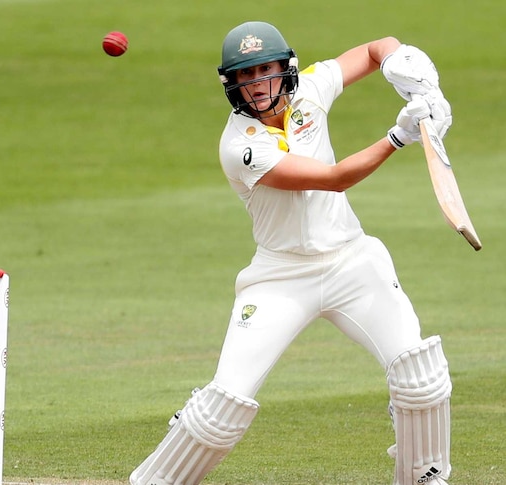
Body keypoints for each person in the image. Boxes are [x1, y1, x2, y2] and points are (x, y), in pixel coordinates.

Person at [129, 22, 453, 485]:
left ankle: (425, 476)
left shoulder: (311, 89)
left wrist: (407, 68)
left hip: (353, 262)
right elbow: (333, 178)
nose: (258, 84)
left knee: (420, 377)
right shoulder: (239, 146)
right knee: (221, 409)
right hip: (280, 277)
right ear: (230, 85)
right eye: (245, 75)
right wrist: (399, 137)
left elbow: (373, 49)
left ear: (287, 69)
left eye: (266, 70)